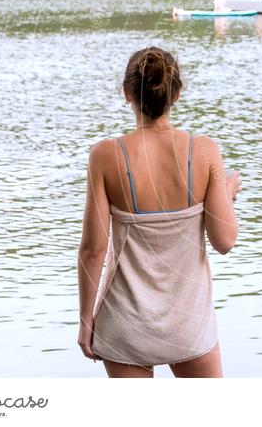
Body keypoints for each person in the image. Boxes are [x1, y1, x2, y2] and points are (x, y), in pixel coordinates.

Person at [78, 46, 242, 378]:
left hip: (125, 326)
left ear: (127, 93)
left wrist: (85, 322)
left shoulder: (105, 156)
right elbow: (224, 241)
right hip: (188, 325)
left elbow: (93, 251)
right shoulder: (204, 151)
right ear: (177, 94)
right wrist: (225, 192)